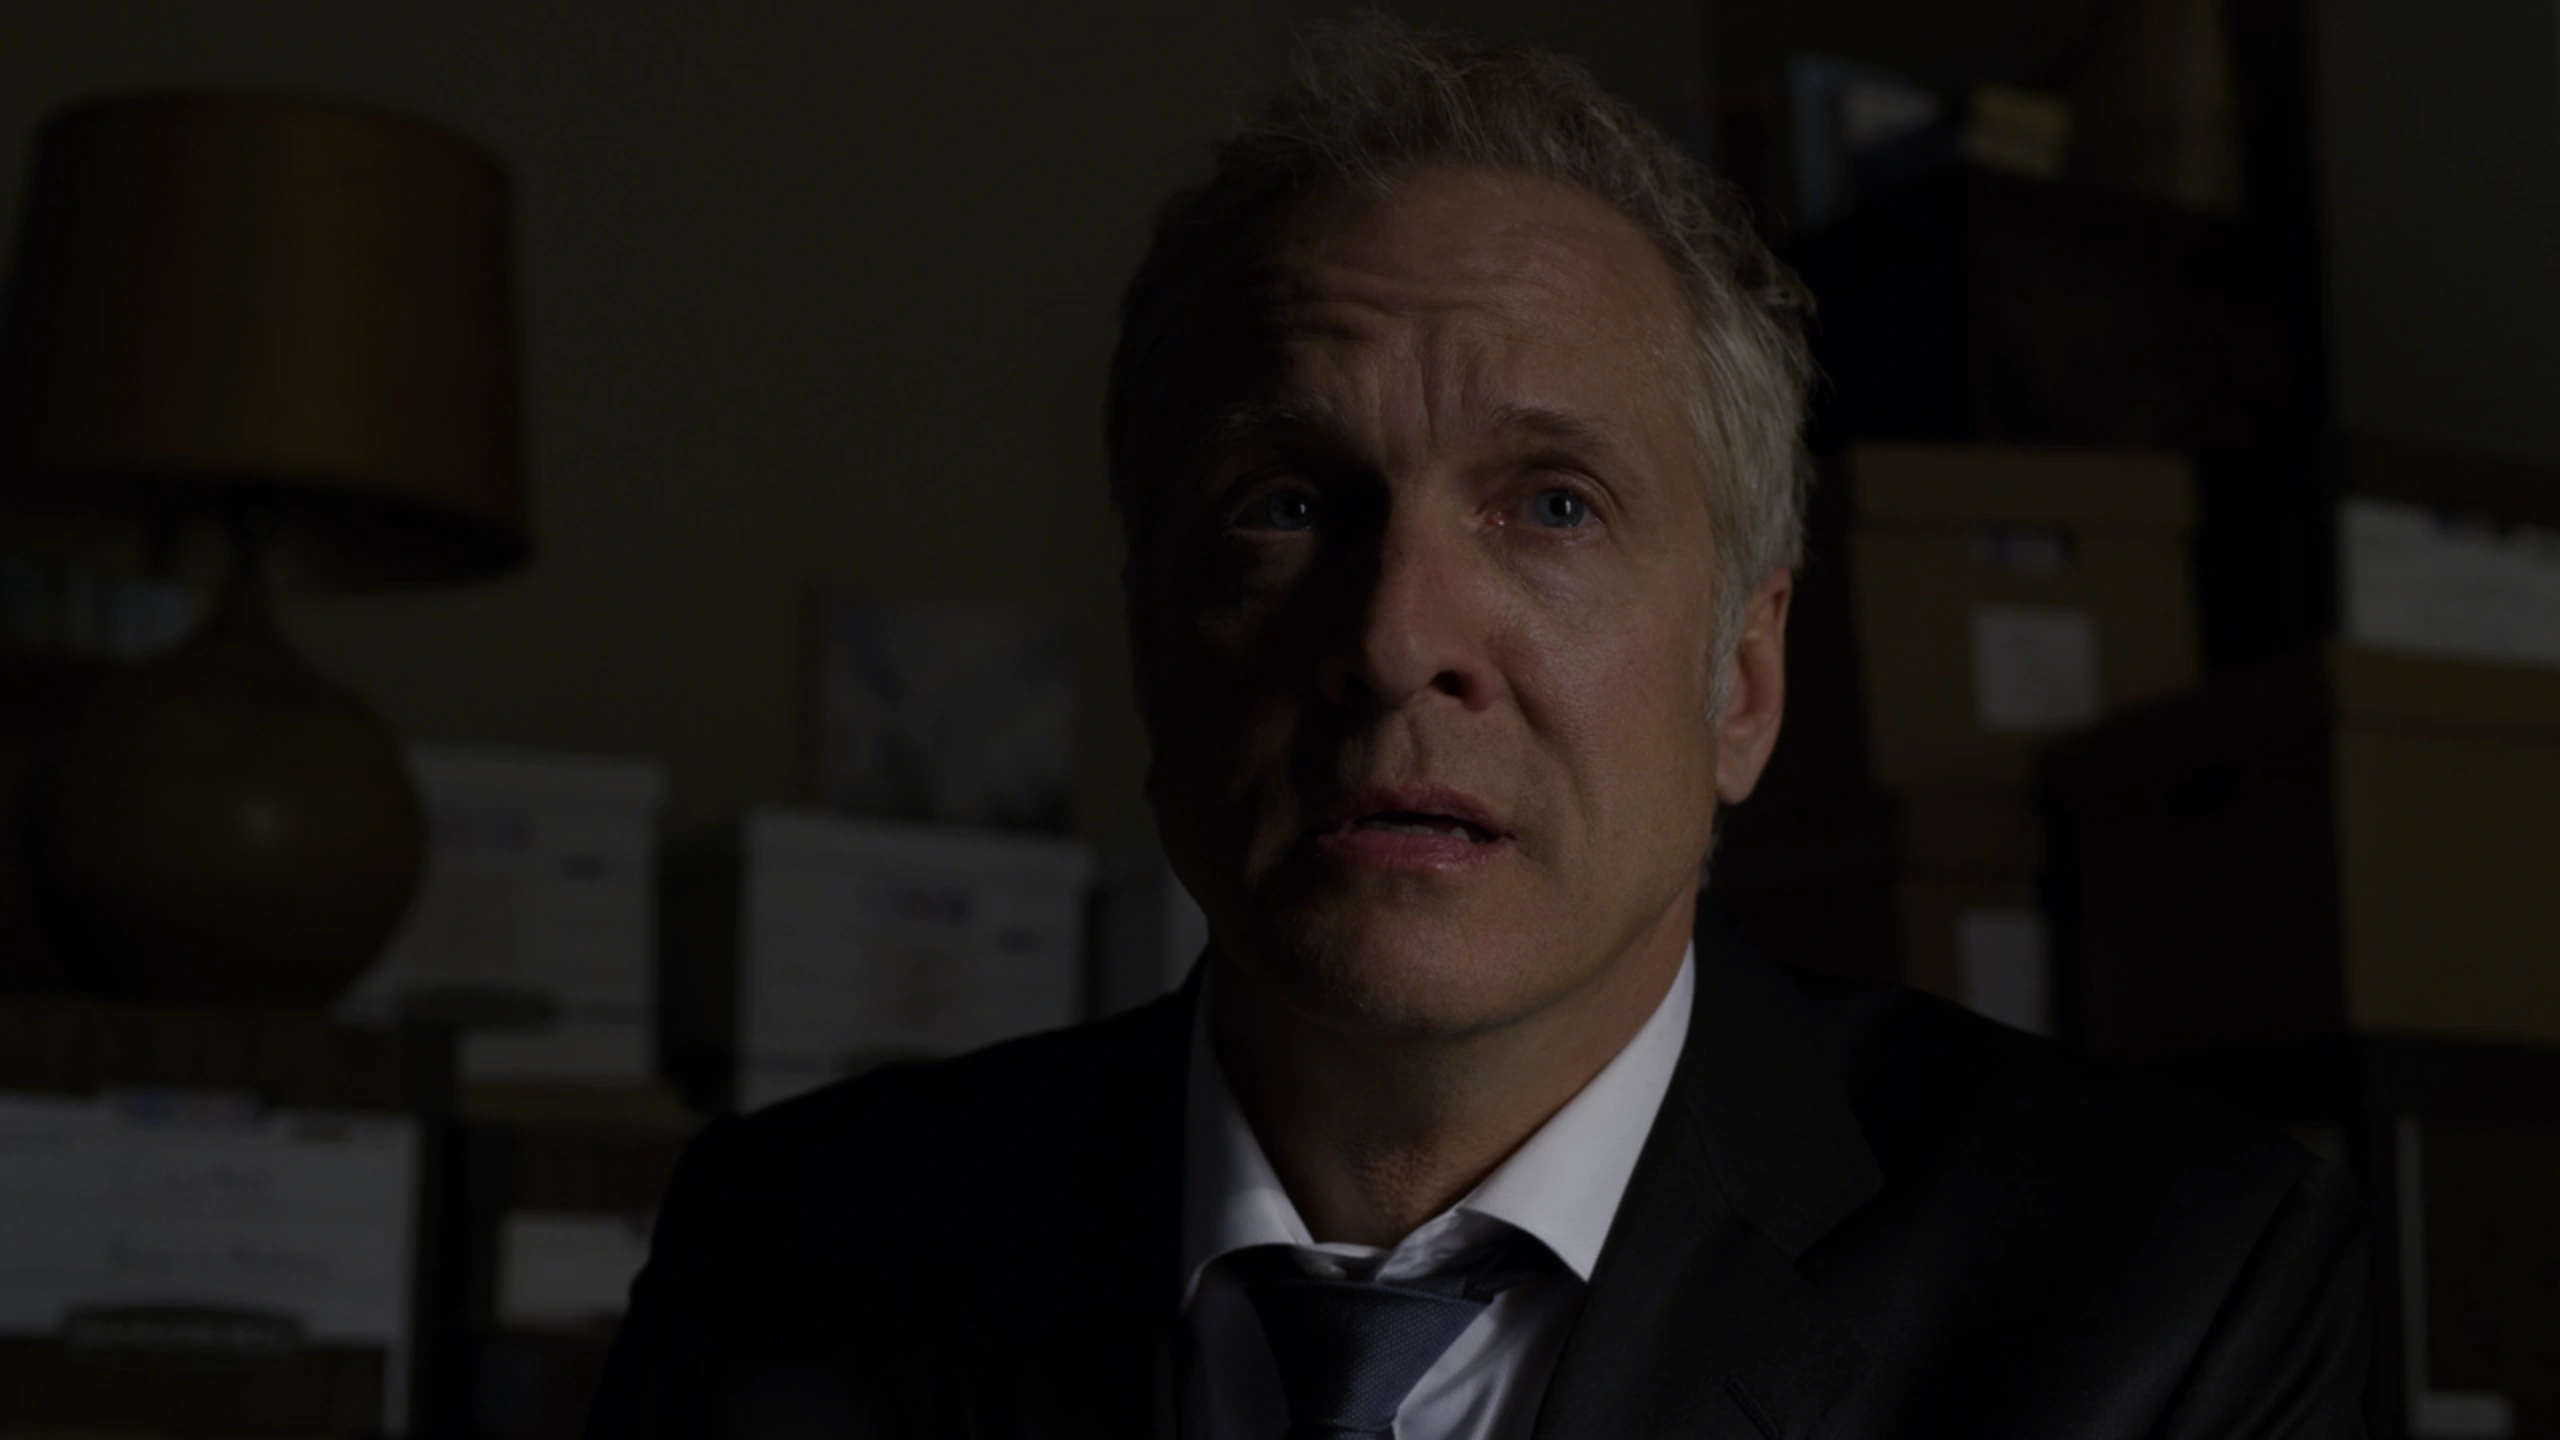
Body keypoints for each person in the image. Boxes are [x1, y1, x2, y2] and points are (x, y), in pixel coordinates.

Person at [587, 18, 2369, 1438]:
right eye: (1284, 507)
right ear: (1156, 653)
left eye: (1553, 508)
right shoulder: (780, 1259)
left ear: (1743, 683)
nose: (1393, 641)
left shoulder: (2163, 1303)